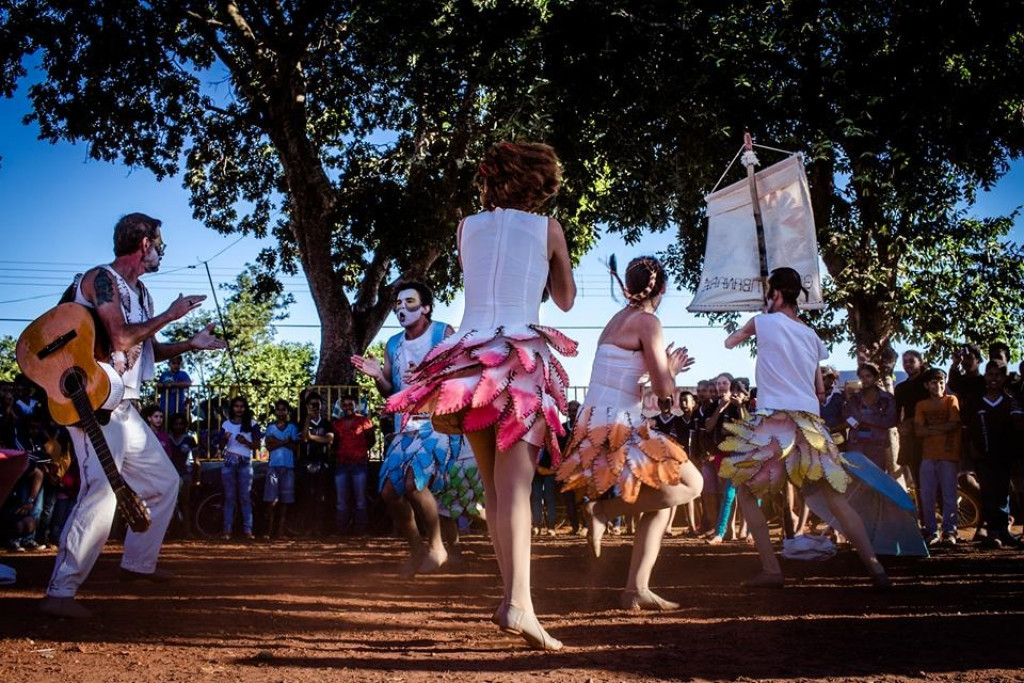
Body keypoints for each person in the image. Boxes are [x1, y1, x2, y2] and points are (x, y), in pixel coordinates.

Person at [387, 141, 576, 650]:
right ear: (538, 182)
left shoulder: (466, 227)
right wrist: (553, 260)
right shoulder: (548, 227)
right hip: (516, 363)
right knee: (515, 490)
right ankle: (520, 605)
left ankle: (512, 599)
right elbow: (564, 299)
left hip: (467, 363)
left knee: (495, 493)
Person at [40, 212, 225, 619]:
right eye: (159, 243)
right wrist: (173, 315)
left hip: (123, 405)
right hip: (92, 403)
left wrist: (191, 343)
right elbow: (122, 336)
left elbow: (148, 349)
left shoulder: (142, 294)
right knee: (101, 492)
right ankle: (59, 592)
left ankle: (137, 565)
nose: (161, 251)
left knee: (163, 482)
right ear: (144, 244)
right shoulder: (101, 279)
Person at [718, 267, 890, 590]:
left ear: (776, 295)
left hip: (774, 423)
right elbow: (820, 391)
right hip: (810, 423)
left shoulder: (764, 322)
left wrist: (761, 317)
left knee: (743, 491)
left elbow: (730, 342)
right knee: (837, 499)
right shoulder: (811, 336)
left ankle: (772, 569)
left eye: (770, 293)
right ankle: (876, 569)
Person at [558, 255, 702, 612]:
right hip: (617, 423)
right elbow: (664, 390)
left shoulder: (616, 320)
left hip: (598, 420)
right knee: (692, 485)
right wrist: (671, 368)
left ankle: (635, 589)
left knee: (664, 503)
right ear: (663, 289)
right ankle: (605, 513)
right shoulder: (647, 322)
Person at [351, 280, 463, 576]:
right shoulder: (392, 345)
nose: (401, 309)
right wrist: (377, 376)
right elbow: (391, 393)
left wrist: (431, 373)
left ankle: (438, 548)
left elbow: (461, 375)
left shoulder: (444, 333)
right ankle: (416, 550)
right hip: (406, 427)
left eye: (409, 302)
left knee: (416, 484)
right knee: (389, 491)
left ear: (426, 307)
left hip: (438, 424)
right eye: (397, 304)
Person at [966, 360, 1024, 548]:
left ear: (1004, 378)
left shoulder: (1010, 400)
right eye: (990, 374)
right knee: (988, 493)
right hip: (983, 456)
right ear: (985, 376)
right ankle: (992, 533)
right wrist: (973, 449)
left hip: (1005, 456)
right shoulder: (976, 401)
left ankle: (1004, 532)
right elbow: (968, 428)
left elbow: (1017, 427)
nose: (994, 378)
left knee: (1002, 494)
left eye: (998, 375)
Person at [914, 368, 961, 546]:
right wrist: (941, 428)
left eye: (941, 382)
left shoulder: (951, 400)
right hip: (928, 455)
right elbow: (918, 431)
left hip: (948, 454)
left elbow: (953, 424)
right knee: (927, 495)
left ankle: (950, 531)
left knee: (949, 495)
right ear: (926, 385)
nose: (939, 385)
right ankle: (931, 531)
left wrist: (930, 430)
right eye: (934, 382)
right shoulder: (921, 405)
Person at [705, 373, 747, 544]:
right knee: (728, 495)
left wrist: (740, 409)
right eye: (718, 383)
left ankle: (748, 531)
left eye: (740, 391)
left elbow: (749, 429)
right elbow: (721, 430)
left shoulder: (751, 406)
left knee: (751, 495)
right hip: (732, 455)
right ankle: (721, 532)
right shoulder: (723, 406)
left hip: (752, 457)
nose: (736, 394)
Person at [330, 395, 376, 535]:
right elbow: (334, 443)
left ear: (355, 406)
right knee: (341, 499)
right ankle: (341, 529)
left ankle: (361, 530)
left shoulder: (364, 421)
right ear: (341, 407)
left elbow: (372, 440)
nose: (348, 407)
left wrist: (360, 451)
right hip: (342, 464)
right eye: (345, 405)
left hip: (359, 464)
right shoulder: (337, 424)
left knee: (360, 498)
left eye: (350, 404)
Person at [842, 363, 898, 472]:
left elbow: (890, 421)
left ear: (875, 377)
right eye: (862, 377)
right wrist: (855, 423)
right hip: (856, 444)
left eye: (868, 376)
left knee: (876, 479)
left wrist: (864, 418)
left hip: (877, 445)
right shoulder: (854, 399)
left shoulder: (886, 398)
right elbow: (847, 417)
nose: (865, 380)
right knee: (857, 478)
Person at [219, 396, 261, 540]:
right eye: (236, 406)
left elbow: (257, 445)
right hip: (229, 463)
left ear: (246, 408)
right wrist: (224, 439)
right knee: (229, 497)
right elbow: (219, 446)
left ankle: (248, 531)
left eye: (242, 406)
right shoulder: (226, 424)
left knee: (245, 497)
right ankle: (227, 531)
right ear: (232, 408)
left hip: (244, 463)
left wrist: (246, 442)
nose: (239, 409)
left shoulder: (252, 424)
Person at [262, 400, 300, 540]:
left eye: (284, 409)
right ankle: (269, 531)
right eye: (278, 409)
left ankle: (280, 531)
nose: (281, 412)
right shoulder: (270, 427)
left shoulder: (292, 427)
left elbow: (295, 447)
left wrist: (277, 441)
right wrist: (285, 442)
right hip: (274, 466)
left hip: (288, 467)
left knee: (285, 501)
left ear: (287, 411)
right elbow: (269, 447)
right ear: (275, 411)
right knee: (271, 501)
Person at [894, 350, 930, 497]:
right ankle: (924, 517)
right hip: (912, 439)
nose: (908, 364)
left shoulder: (929, 383)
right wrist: (901, 426)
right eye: (905, 361)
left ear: (920, 362)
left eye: (911, 361)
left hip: (931, 436)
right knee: (918, 483)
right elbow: (897, 414)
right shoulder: (901, 388)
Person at [298, 392, 334, 537]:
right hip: (307, 463)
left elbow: (329, 439)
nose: (315, 407)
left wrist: (311, 437)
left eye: (317, 405)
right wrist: (307, 419)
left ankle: (320, 528)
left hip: (322, 463)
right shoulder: (302, 422)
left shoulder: (326, 423)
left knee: (321, 497)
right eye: (312, 405)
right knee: (307, 496)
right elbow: (303, 439)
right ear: (306, 406)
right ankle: (308, 528)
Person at [166, 412, 198, 539]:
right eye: (175, 424)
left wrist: (197, 477)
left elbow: (196, 460)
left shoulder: (189, 439)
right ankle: (169, 532)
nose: (178, 426)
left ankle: (187, 531)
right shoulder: (167, 439)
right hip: (170, 475)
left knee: (185, 503)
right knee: (168, 504)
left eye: (180, 424)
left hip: (185, 474)